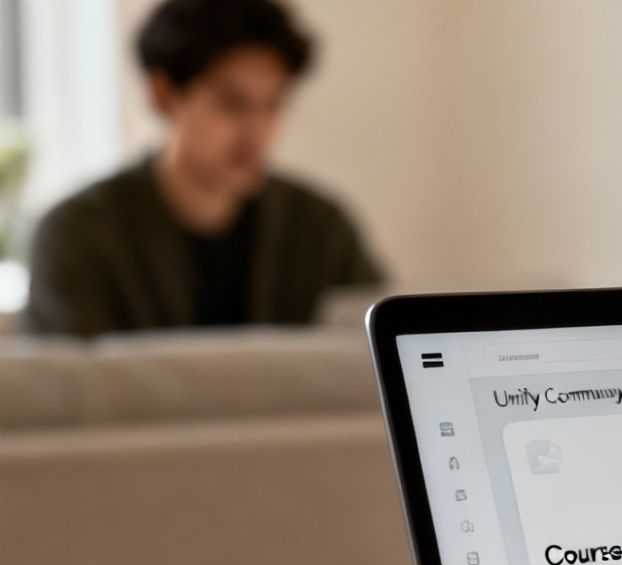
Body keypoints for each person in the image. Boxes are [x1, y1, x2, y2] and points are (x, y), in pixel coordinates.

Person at [24, 0, 380, 337]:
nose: (257, 131)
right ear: (163, 94)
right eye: (232, 103)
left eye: (272, 105)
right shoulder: (78, 235)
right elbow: (69, 377)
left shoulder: (321, 228)